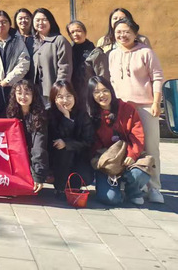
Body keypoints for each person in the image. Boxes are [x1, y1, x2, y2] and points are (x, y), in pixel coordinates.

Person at [107, 17, 164, 204]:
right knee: (128, 147)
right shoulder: (113, 54)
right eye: (118, 32)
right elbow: (113, 81)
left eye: (126, 32)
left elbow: (157, 77)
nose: (122, 35)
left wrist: (156, 102)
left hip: (145, 106)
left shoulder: (146, 52)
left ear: (135, 33)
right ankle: (133, 186)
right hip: (123, 108)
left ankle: (154, 187)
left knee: (151, 147)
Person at [88, 75, 151, 206]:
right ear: (91, 96)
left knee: (139, 174)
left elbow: (137, 135)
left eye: (105, 90)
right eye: (96, 92)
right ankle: (114, 187)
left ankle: (132, 191)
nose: (102, 95)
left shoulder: (127, 109)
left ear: (111, 90)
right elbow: (92, 143)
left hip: (128, 157)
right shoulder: (91, 115)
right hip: (107, 161)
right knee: (111, 199)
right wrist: (106, 157)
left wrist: (132, 155)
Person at [47, 80, 93, 198]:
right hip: (55, 158)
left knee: (84, 176)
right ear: (54, 99)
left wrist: (68, 144)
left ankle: (72, 185)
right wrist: (66, 117)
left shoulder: (83, 115)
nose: (65, 100)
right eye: (60, 97)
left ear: (74, 97)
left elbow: (88, 142)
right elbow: (54, 139)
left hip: (78, 157)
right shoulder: (49, 114)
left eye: (68, 96)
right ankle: (60, 187)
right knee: (62, 148)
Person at [6, 80, 48, 194]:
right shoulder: (11, 112)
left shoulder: (39, 115)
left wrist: (38, 175)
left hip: (33, 156)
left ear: (33, 95)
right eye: (19, 93)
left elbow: (38, 147)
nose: (23, 97)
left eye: (27, 93)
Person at [31, 8, 72, 107]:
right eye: (37, 20)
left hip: (53, 92)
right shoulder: (32, 42)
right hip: (36, 93)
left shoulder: (59, 40)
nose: (40, 23)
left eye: (44, 19)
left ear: (51, 21)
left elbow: (65, 67)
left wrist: (59, 90)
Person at [66, 20, 108, 109]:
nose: (75, 34)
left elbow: (103, 77)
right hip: (74, 97)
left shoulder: (95, 53)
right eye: (72, 32)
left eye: (78, 31)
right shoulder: (68, 52)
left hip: (91, 96)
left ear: (85, 32)